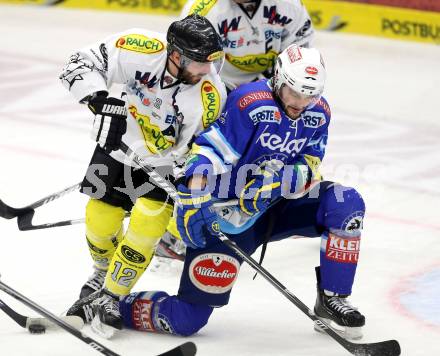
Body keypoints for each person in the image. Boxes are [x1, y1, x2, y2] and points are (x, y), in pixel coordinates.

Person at [67, 44, 366, 340]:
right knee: (186, 320)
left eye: (310, 95)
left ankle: (332, 298)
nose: (301, 103)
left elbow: (312, 162)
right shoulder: (250, 103)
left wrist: (286, 178)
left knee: (345, 203)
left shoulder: (319, 112)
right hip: (231, 215)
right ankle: (116, 302)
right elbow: (210, 152)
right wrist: (194, 199)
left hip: (277, 206)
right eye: (294, 93)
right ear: (277, 80)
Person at [59, 14, 226, 332]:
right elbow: (80, 63)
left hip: (163, 165)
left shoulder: (209, 95)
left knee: (146, 226)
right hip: (116, 147)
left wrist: (183, 172)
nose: (207, 71)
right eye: (199, 63)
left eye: (210, 63)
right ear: (176, 55)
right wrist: (100, 100)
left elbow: (203, 149)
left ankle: (111, 294)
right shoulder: (140, 47)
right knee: (99, 219)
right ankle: (103, 270)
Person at [181, 0, 314, 90]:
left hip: (270, 82)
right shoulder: (202, 9)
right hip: (216, 84)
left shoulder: (289, 4)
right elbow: (189, 62)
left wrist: (267, 84)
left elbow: (300, 48)